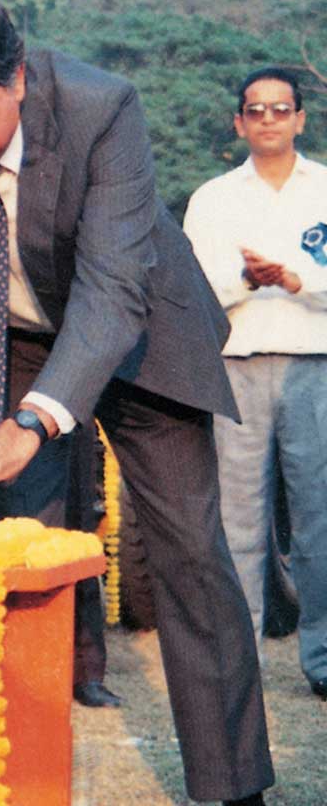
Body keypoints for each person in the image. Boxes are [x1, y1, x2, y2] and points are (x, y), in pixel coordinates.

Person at [0, 0, 273, 806]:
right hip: (1, 339)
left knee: (188, 556)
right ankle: (11, 781)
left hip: (139, 330)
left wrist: (26, 428)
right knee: (3, 555)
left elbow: (110, 295)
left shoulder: (103, 108)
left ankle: (232, 787)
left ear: (20, 79)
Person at [182, 65, 326, 699]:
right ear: (239, 122)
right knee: (237, 521)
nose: (268, 119)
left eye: (281, 108)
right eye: (255, 109)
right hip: (237, 367)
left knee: (320, 520)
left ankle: (322, 661)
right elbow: (191, 290)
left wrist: (298, 281)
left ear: (300, 118)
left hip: (313, 366)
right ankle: (241, 666)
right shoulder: (213, 199)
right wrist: (248, 281)